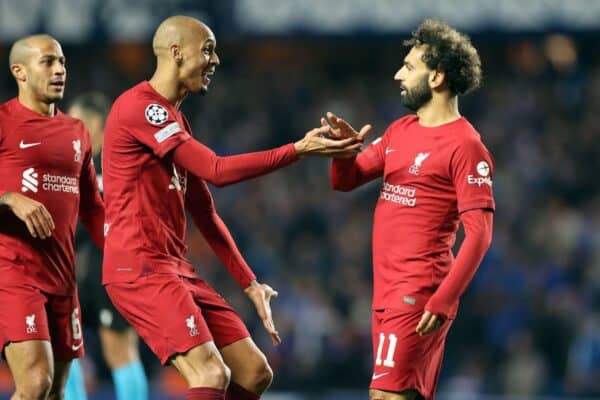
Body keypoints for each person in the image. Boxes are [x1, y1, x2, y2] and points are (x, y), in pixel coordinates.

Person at [101, 15, 361, 400]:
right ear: (176, 53)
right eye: (207, 49)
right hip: (139, 266)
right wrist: (299, 150)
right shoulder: (140, 108)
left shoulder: (177, 123)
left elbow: (205, 212)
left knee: (254, 373)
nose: (216, 60)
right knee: (210, 372)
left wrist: (250, 283)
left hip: (174, 268)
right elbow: (217, 170)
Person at [326, 20, 495, 400]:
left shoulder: (466, 146)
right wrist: (343, 151)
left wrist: (444, 298)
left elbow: (480, 234)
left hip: (419, 292)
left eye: (409, 66)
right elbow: (345, 181)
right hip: (385, 292)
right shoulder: (401, 130)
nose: (398, 74)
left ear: (436, 77)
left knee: (385, 396)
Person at [0, 35, 104, 399]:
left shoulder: (77, 132)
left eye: (62, 61)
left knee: (56, 392)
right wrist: (10, 199)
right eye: (47, 62)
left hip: (63, 279)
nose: (59, 70)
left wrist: (128, 255)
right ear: (20, 71)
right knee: (35, 383)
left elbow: (93, 208)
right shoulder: (3, 122)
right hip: (14, 274)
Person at [67, 92, 148, 399]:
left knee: (120, 351)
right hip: (75, 273)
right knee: (67, 349)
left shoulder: (120, 162)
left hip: (114, 273)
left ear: (96, 122)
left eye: (78, 121)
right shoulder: (73, 165)